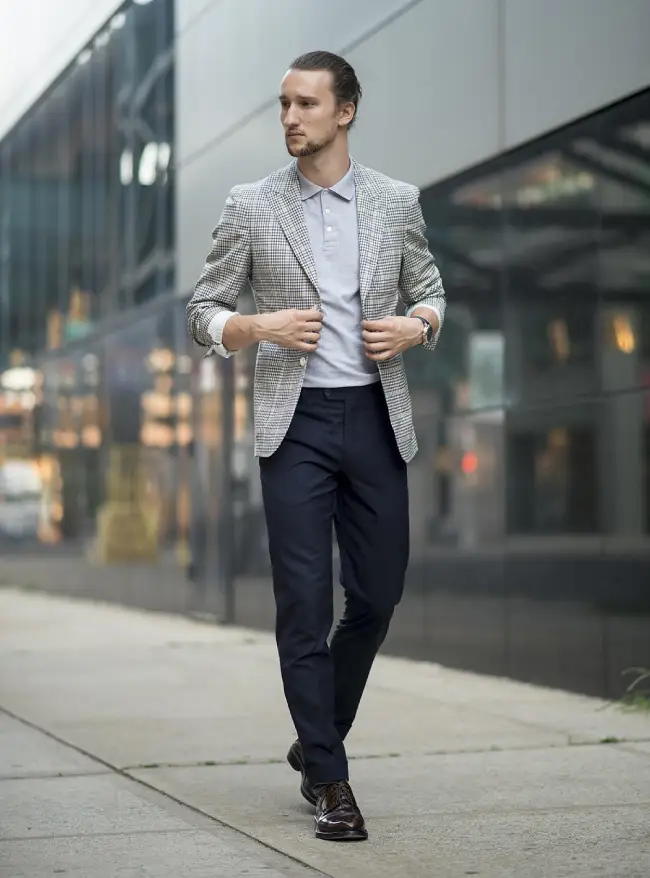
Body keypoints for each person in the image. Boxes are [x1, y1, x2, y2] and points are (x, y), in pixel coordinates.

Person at [187, 50, 445, 842]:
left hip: (373, 417)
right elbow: (203, 307)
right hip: (293, 425)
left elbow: (430, 288)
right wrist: (255, 326)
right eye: (283, 105)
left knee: (375, 597)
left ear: (346, 111)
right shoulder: (252, 204)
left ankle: (314, 734)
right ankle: (331, 783)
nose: (290, 118)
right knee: (302, 605)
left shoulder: (397, 201)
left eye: (305, 104)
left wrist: (418, 324)